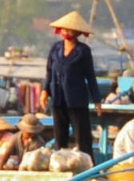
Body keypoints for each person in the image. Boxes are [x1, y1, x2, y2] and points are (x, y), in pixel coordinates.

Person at [43, 11, 100, 156]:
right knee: (60, 137)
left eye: (69, 30)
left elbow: (90, 76)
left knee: (82, 138)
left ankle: (88, 167)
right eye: (64, 29)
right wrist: (45, 91)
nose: (66, 32)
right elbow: (49, 72)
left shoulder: (83, 51)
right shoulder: (55, 48)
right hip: (58, 98)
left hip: (77, 100)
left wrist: (97, 100)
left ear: (76, 32)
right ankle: (59, 166)